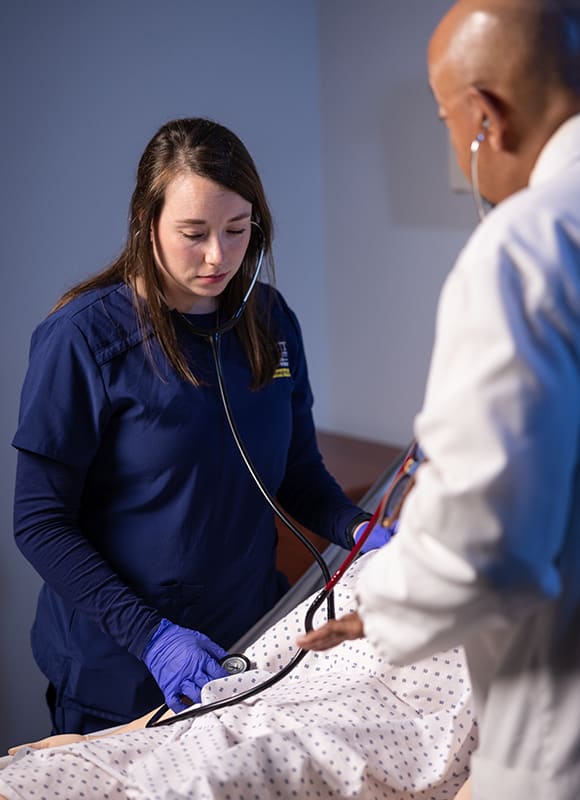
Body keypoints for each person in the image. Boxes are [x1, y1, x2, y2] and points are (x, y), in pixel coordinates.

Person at [11, 117, 374, 737]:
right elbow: (39, 523)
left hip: (247, 649)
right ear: (145, 224)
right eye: (193, 233)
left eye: (237, 231)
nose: (218, 256)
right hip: (120, 671)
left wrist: (362, 531)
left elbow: (297, 473)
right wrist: (151, 637)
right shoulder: (82, 339)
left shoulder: (269, 320)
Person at [299, 1, 580, 799]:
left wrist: (374, 602)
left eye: (446, 119)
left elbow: (487, 552)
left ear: (484, 116)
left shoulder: (524, 250)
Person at [0, 554, 476, 800]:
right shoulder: (375, 573)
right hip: (191, 734)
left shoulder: (536, 642)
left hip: (309, 761)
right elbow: (244, 682)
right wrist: (105, 739)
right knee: (38, 779)